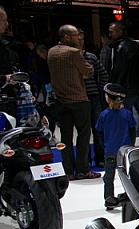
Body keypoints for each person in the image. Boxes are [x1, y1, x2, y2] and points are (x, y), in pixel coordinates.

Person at [48, 25, 99, 180]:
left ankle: (68, 171)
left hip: (60, 100)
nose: (79, 38)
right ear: (66, 37)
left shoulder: (51, 52)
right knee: (83, 136)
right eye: (76, 35)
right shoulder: (74, 52)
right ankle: (83, 170)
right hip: (79, 100)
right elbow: (88, 71)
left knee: (65, 138)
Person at [104, 21, 139, 137]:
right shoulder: (137, 46)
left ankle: (129, 141)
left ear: (120, 31)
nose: (110, 35)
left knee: (126, 118)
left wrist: (115, 88)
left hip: (126, 89)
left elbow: (119, 70)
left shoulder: (119, 47)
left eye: (112, 32)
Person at [95, 83, 136, 210]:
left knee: (108, 177)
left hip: (110, 151)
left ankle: (109, 199)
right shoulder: (127, 114)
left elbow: (99, 133)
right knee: (127, 175)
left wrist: (104, 146)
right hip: (125, 151)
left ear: (108, 98)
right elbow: (132, 131)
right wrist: (131, 146)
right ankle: (129, 196)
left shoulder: (103, 115)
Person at [78, 28, 109, 167]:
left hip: (93, 96)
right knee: (83, 131)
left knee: (98, 129)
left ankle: (100, 157)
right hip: (78, 98)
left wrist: (101, 90)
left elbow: (103, 74)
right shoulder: (69, 58)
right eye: (78, 39)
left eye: (82, 39)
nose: (80, 41)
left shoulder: (91, 56)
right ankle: (85, 160)